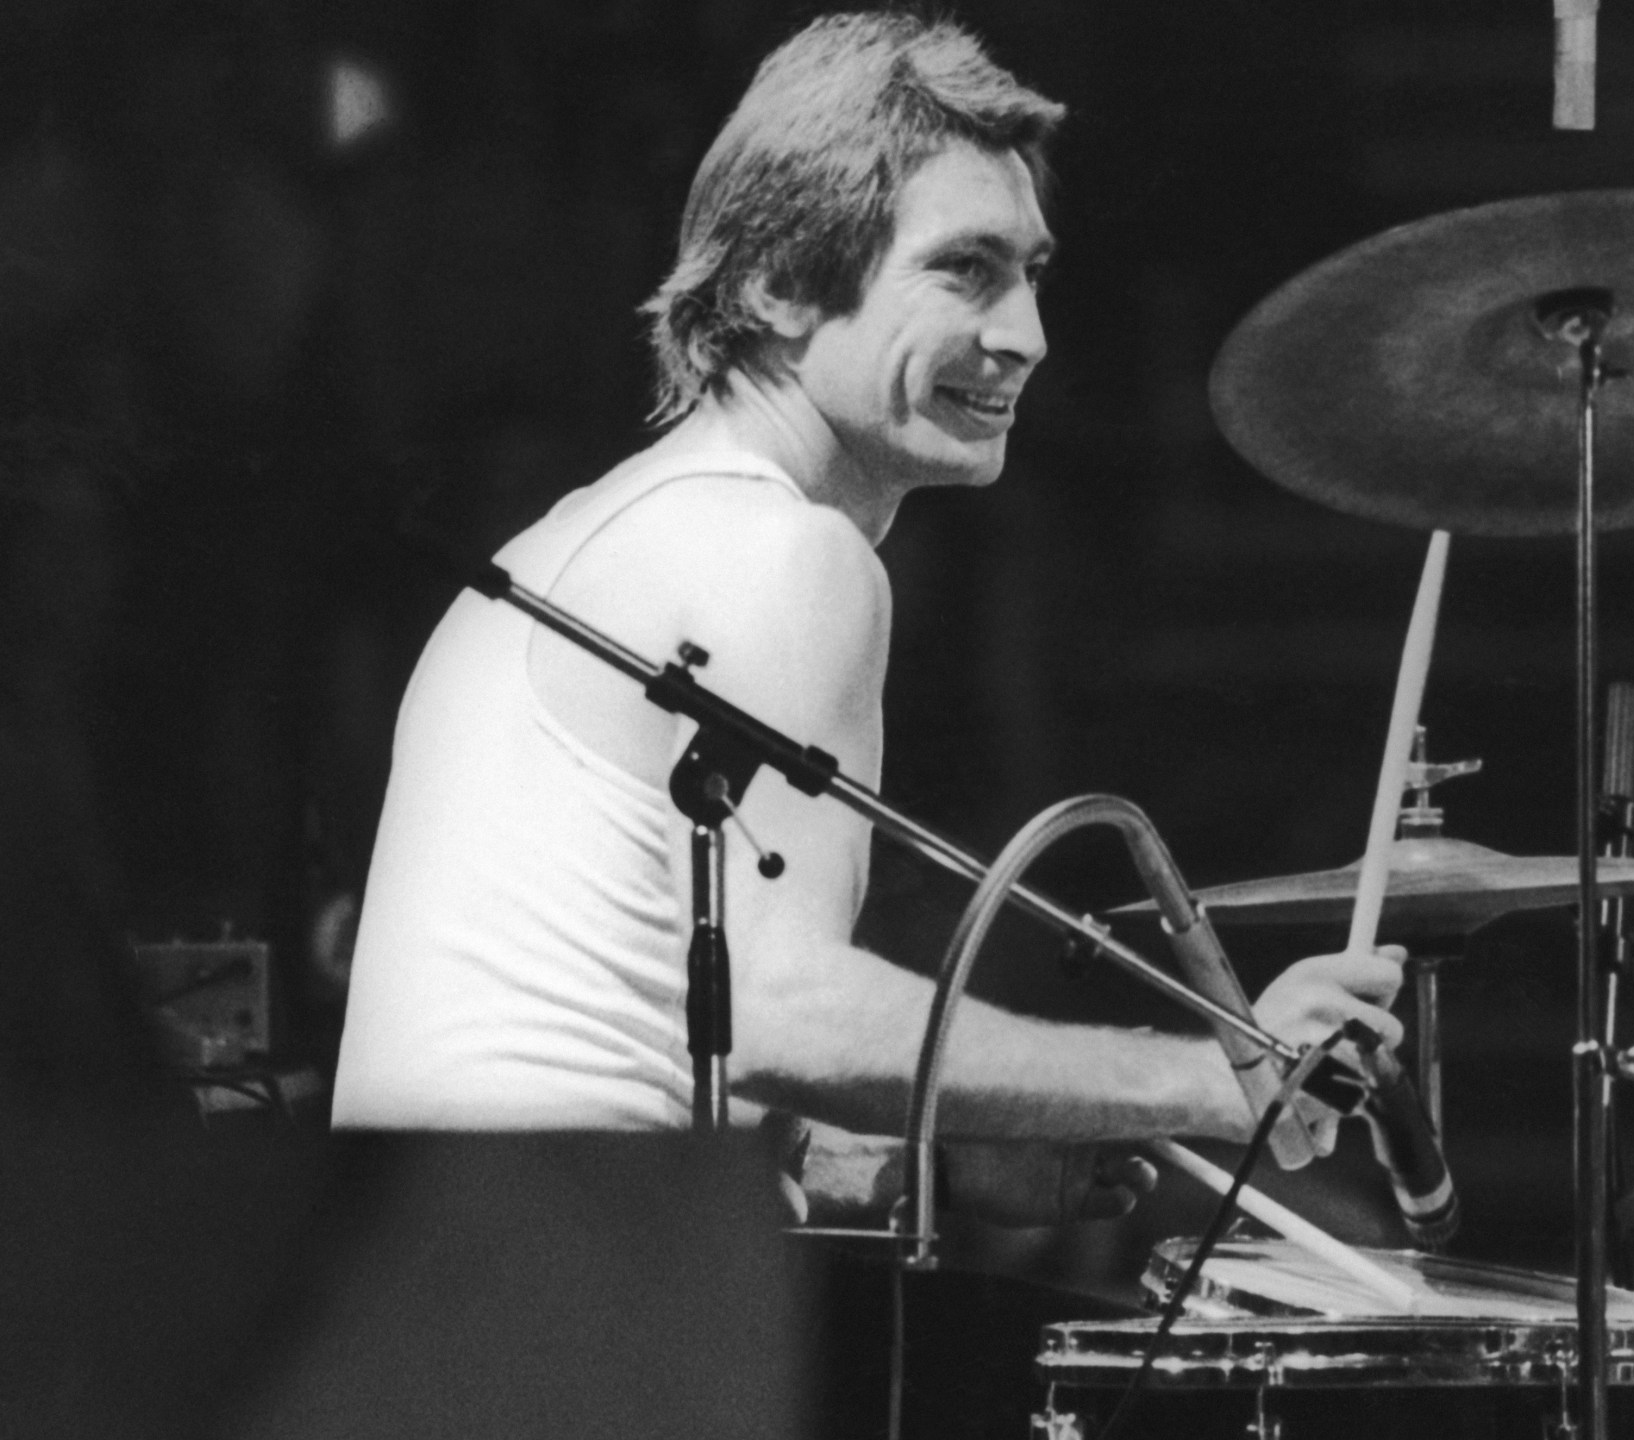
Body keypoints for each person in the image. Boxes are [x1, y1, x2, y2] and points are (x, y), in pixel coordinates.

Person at [332, 12, 1403, 1225]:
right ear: (779, 283)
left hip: (440, 1282)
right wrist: (1216, 1078)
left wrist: (889, 1160)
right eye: (964, 270)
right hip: (555, 1302)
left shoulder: (605, 532)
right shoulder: (782, 551)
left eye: (1031, 274)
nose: (1027, 339)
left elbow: (640, 1024)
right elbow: (778, 1012)